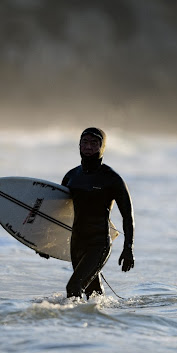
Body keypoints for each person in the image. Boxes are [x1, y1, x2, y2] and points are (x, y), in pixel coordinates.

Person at [40, 127, 135, 298]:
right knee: (93, 293)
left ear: (102, 147)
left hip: (98, 243)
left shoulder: (112, 179)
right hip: (76, 243)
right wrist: (46, 242)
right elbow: (60, 213)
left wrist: (128, 248)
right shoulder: (71, 176)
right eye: (84, 142)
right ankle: (101, 320)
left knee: (74, 287)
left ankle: (72, 324)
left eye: (94, 143)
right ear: (79, 145)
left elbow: (127, 216)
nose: (88, 147)